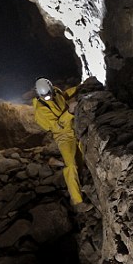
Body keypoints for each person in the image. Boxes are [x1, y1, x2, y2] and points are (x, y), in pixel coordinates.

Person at [31, 77, 91, 212]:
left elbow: (64, 95)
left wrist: (78, 88)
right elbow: (56, 126)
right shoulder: (41, 109)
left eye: (49, 94)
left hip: (74, 128)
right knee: (71, 165)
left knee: (80, 159)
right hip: (63, 137)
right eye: (45, 96)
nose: (48, 97)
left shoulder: (55, 92)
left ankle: (80, 183)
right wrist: (69, 112)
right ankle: (77, 201)